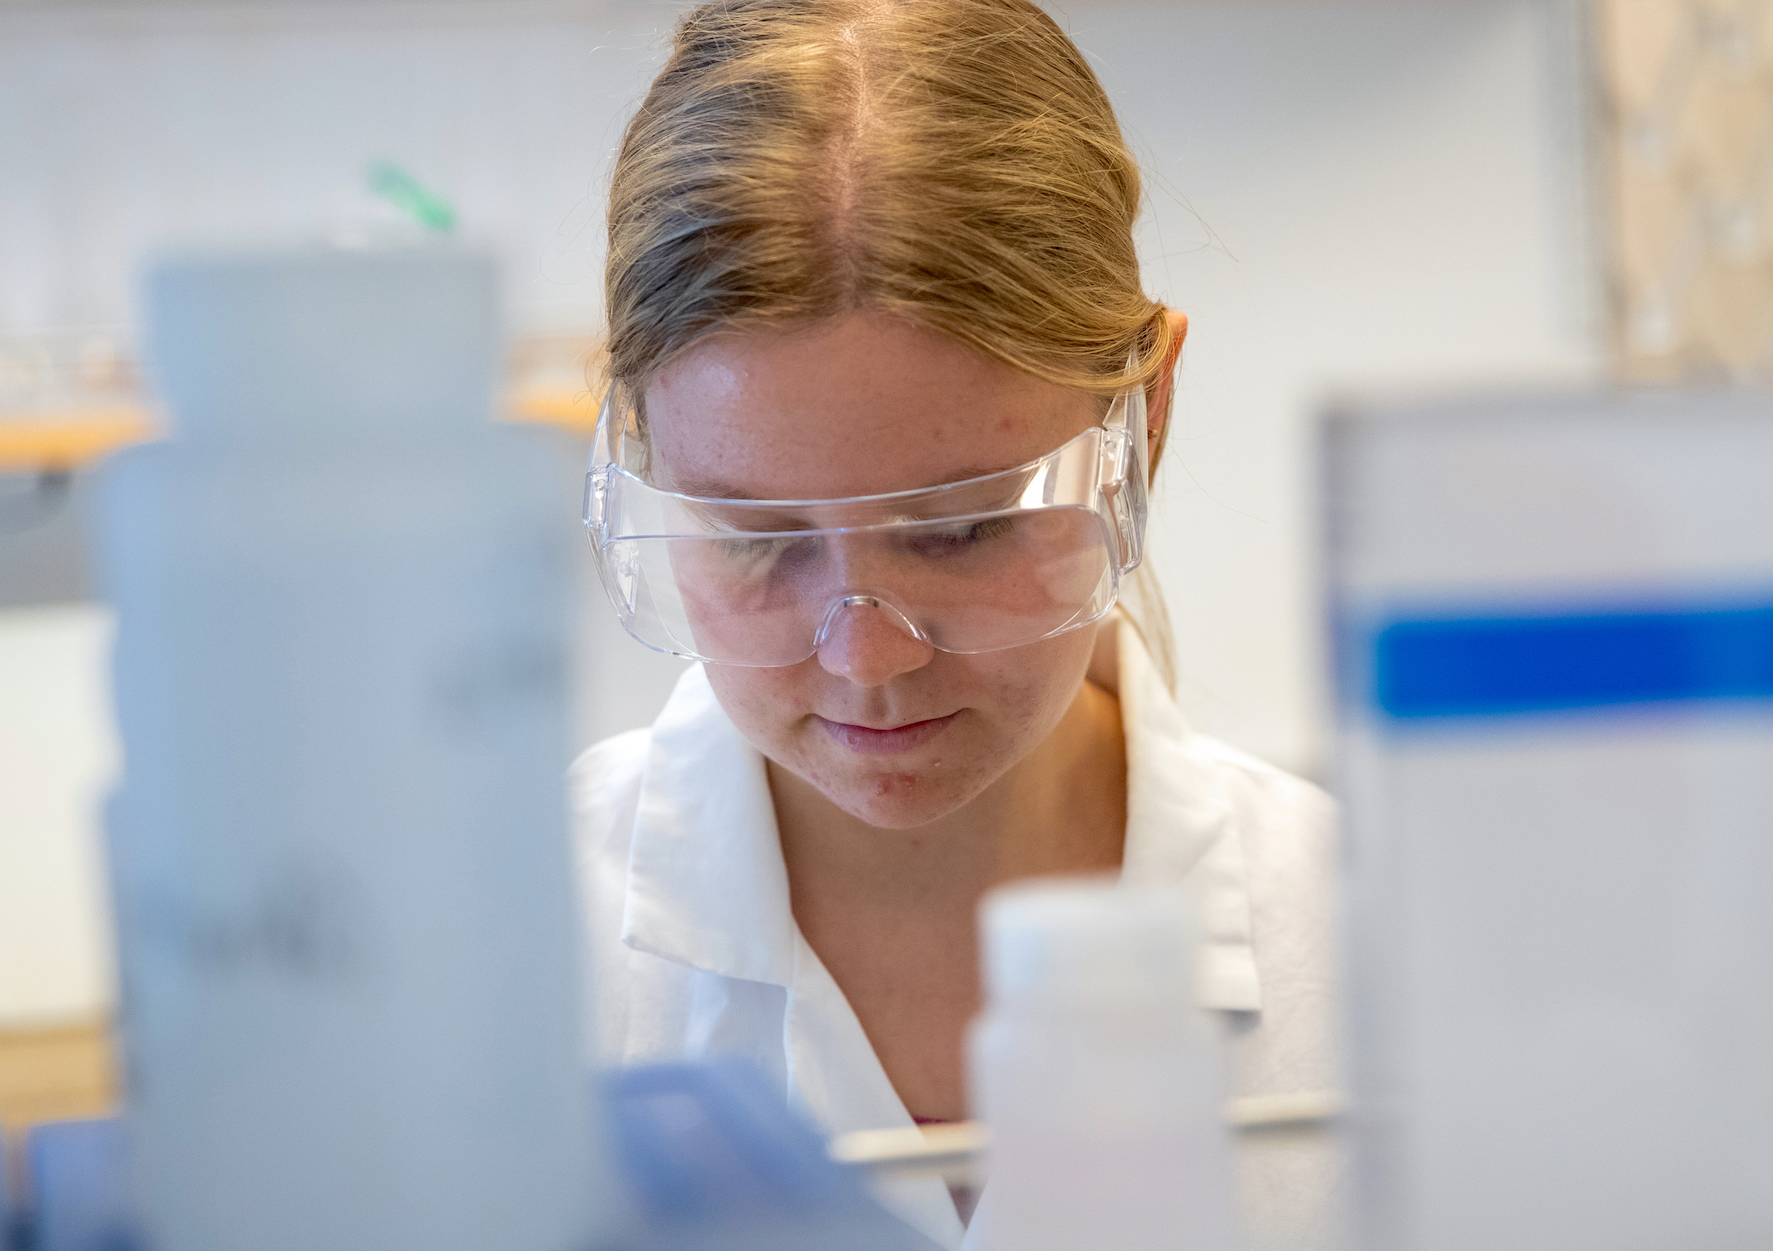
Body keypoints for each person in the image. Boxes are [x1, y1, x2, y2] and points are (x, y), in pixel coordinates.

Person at [567, 1, 1340, 1246]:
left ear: (1141, 424)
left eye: (965, 528)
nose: (866, 659)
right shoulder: (501, 972)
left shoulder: (1369, 952)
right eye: (756, 540)